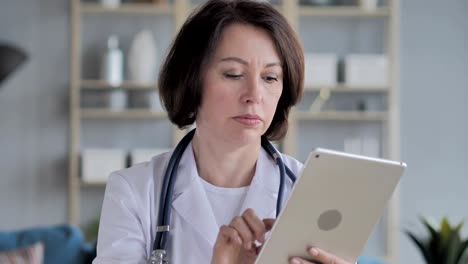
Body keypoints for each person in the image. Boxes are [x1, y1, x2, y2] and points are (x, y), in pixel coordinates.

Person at [93, 1, 352, 263]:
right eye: (233, 74)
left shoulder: (312, 193)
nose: (254, 95)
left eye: (270, 77)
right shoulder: (134, 192)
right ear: (191, 81)